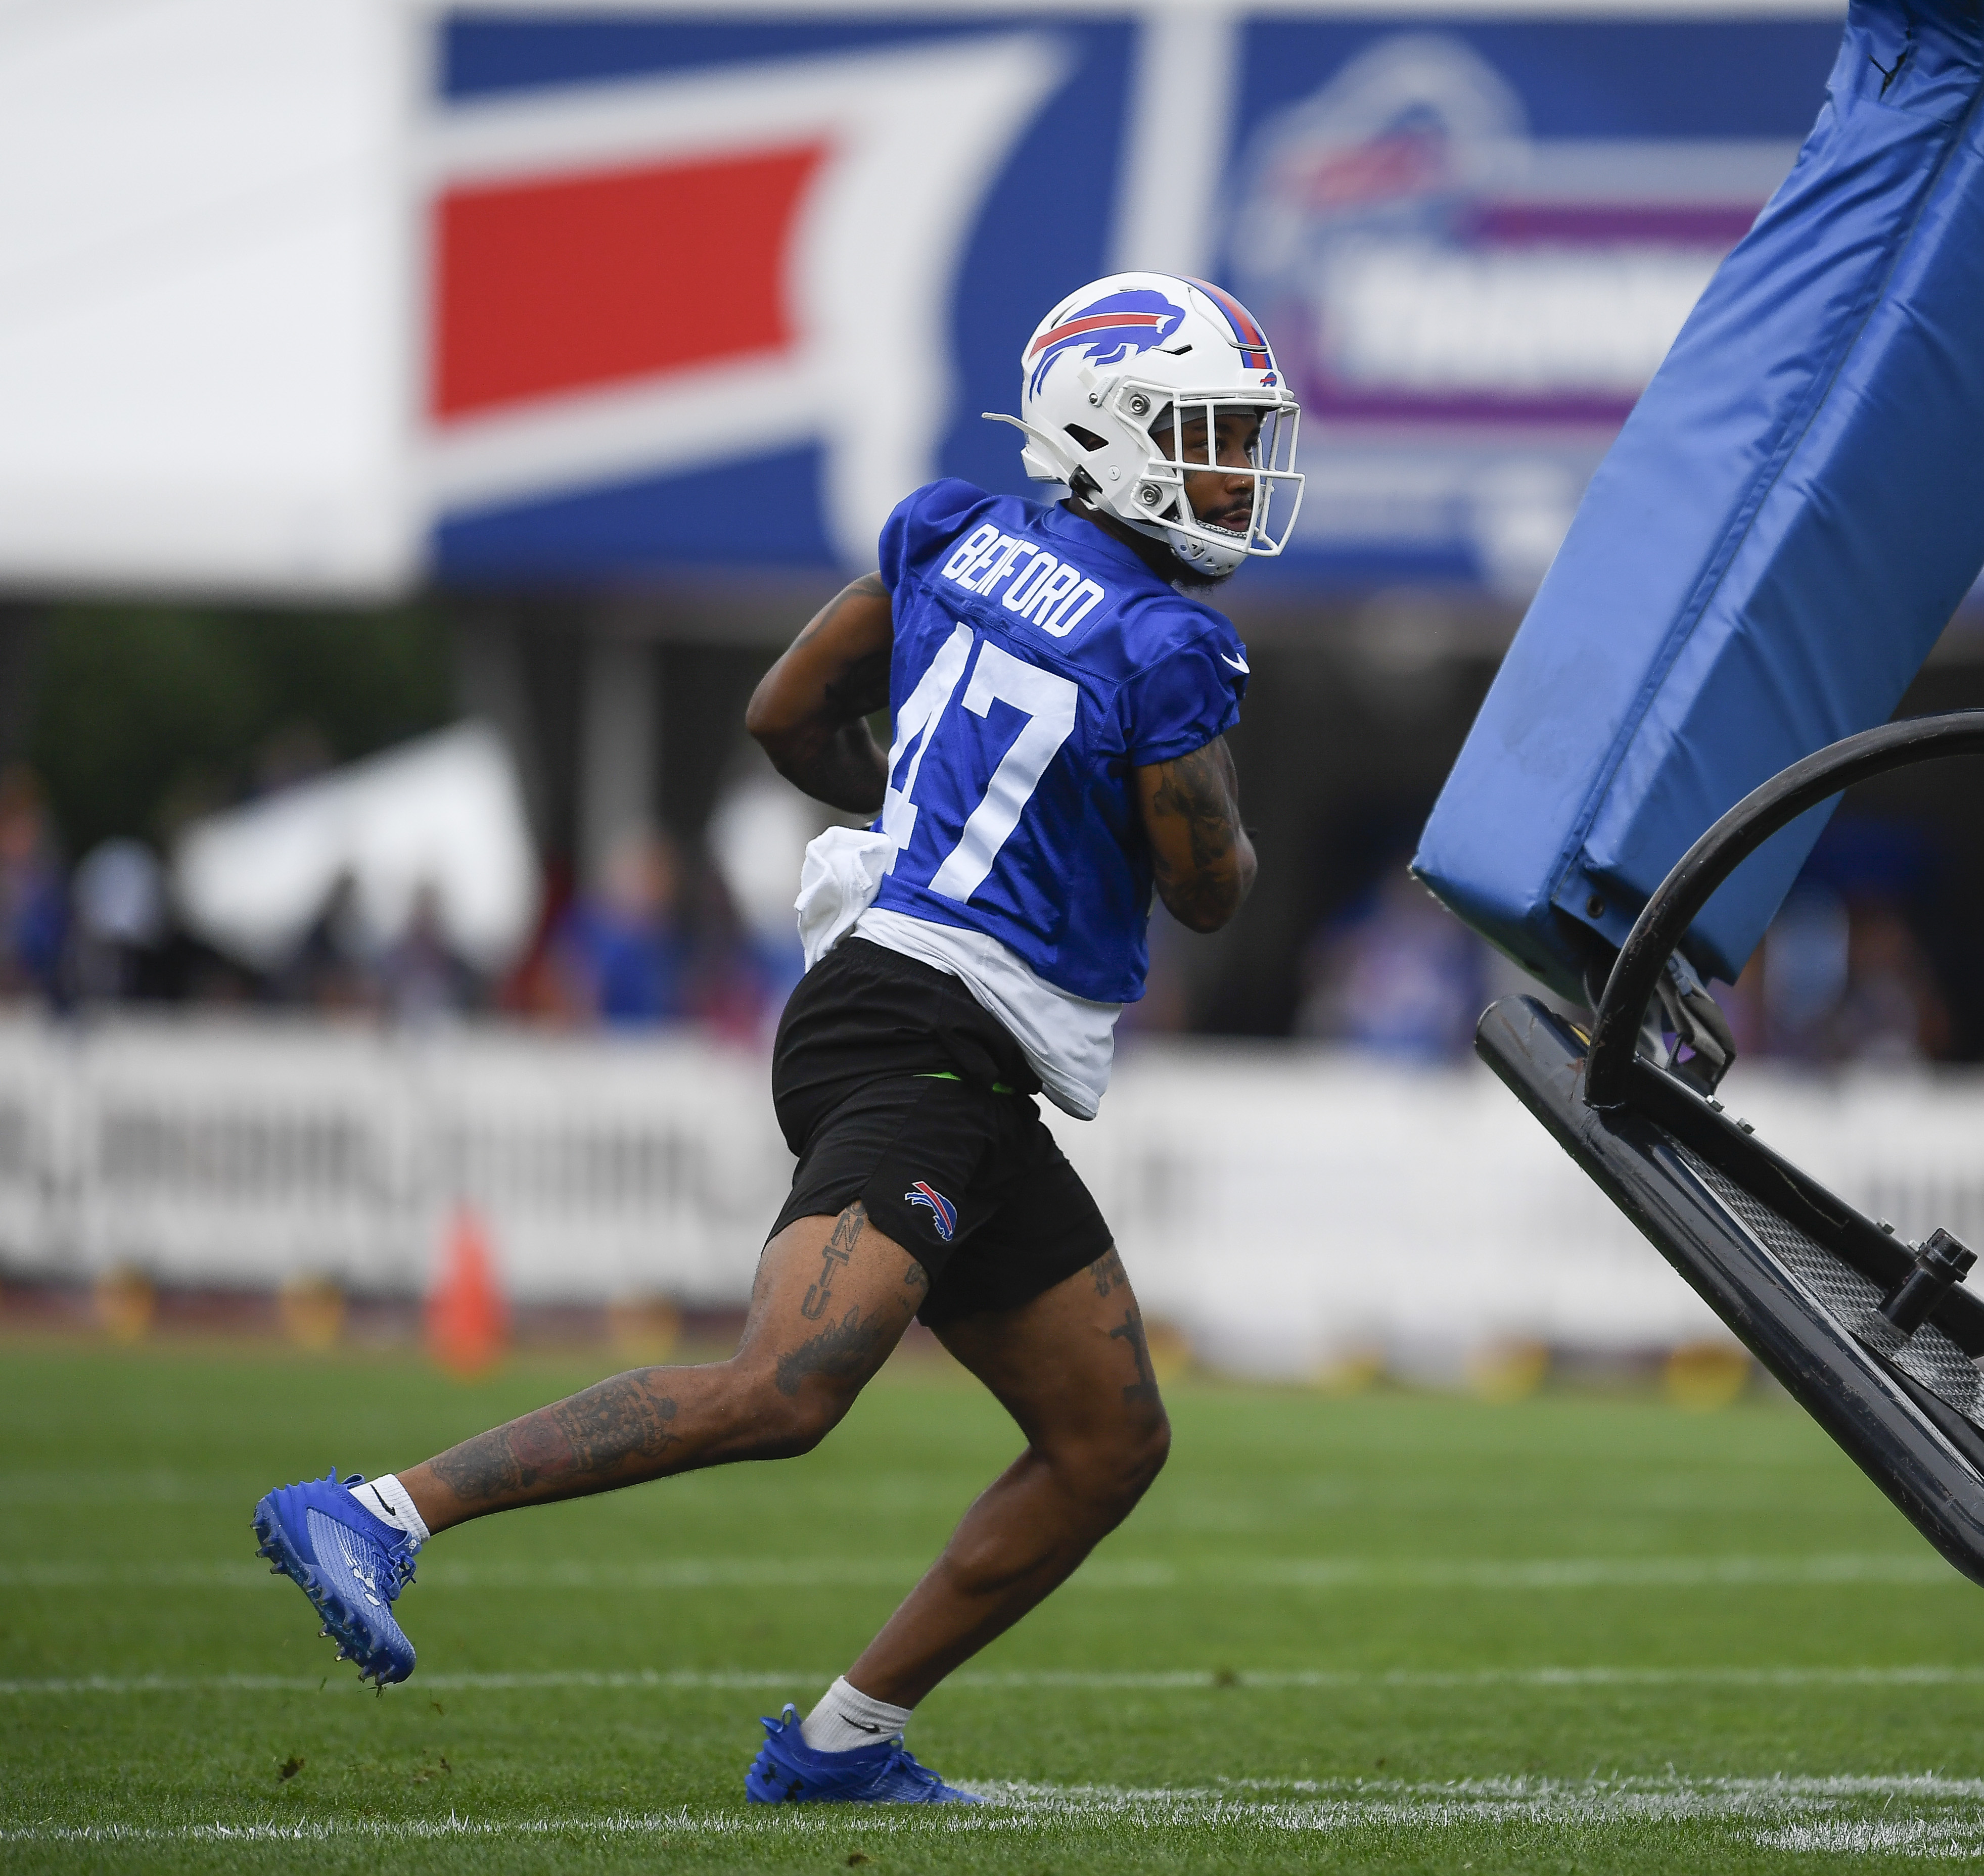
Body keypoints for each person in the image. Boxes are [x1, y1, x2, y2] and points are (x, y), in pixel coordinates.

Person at [250, 271, 1299, 1805]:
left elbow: (785, 714)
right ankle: (377, 1510)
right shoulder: (1164, 644)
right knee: (785, 1385)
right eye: (1206, 435)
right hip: (917, 1026)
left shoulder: (954, 531)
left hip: (936, 1027)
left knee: (1102, 1439)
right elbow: (1208, 892)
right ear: (1107, 428)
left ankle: (837, 1746)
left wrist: (927, 818)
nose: (1232, 473)